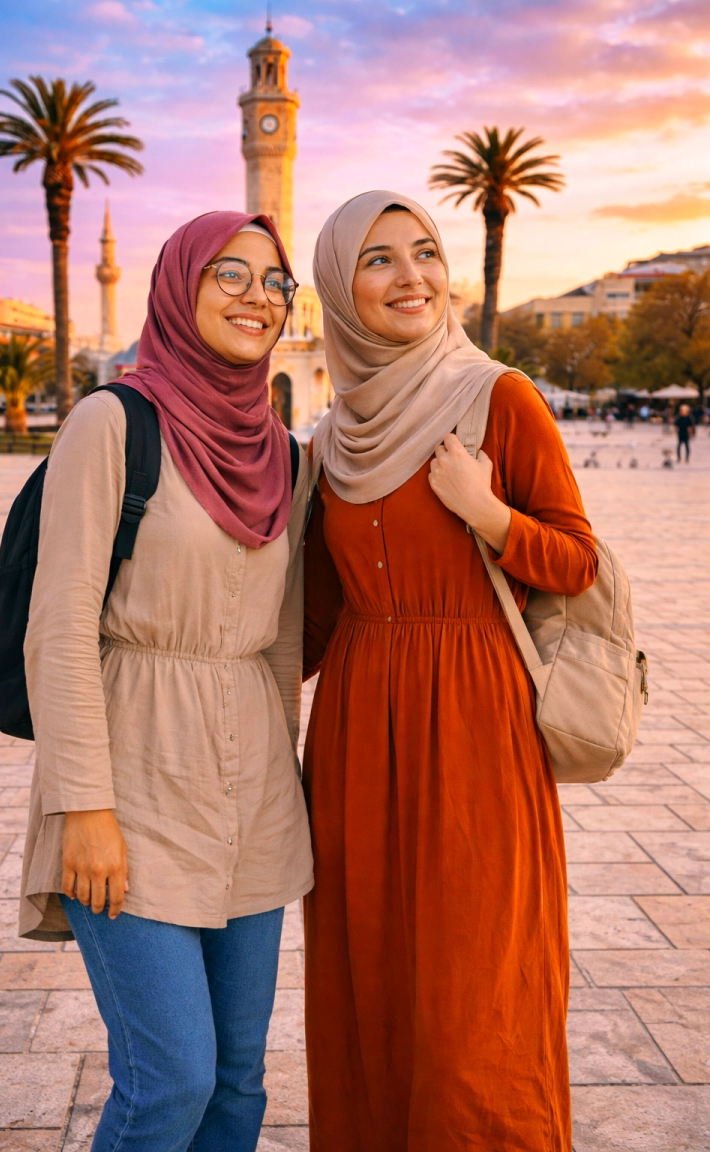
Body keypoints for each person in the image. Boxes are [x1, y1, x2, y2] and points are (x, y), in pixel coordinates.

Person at [302, 191, 598, 1152]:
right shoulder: (332, 436)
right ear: (341, 287)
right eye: (379, 259)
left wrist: (490, 514)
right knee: (372, 982)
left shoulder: (498, 395)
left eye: (425, 252)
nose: (411, 276)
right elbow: (312, 617)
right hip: (355, 739)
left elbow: (577, 559)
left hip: (477, 732)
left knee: (477, 1001)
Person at [18, 212, 313, 1151]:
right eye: (231, 274)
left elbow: (278, 644)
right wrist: (83, 807)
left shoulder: (285, 456)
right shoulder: (115, 422)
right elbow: (57, 624)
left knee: (237, 1087)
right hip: (133, 788)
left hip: (253, 798)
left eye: (275, 282)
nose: (257, 298)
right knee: (169, 1082)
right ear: (178, 284)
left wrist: (292, 790)